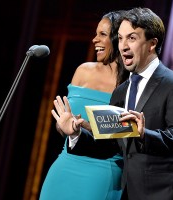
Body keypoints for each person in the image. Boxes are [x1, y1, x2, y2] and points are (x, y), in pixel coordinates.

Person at [52, 7, 173, 200]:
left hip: (169, 193)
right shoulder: (121, 91)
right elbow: (110, 145)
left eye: (131, 38)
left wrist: (142, 134)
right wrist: (76, 134)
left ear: (152, 44)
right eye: (120, 38)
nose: (122, 46)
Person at [39, 10, 128, 200]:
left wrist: (83, 127)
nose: (94, 40)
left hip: (102, 173)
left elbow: (128, 129)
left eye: (102, 34)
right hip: (64, 167)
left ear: (118, 39)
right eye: (96, 34)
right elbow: (64, 126)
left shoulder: (132, 84)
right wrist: (65, 125)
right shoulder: (83, 71)